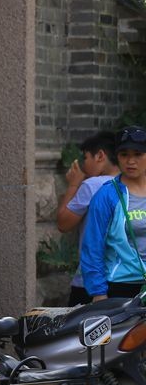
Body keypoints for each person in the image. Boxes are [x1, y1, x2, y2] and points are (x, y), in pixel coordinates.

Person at [81, 126, 146, 301]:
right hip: (120, 287)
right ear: (117, 157)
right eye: (124, 154)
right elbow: (92, 246)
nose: (130, 161)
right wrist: (98, 292)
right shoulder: (106, 195)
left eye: (138, 154)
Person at [56, 131, 118, 306]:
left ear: (100, 156)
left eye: (86, 158)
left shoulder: (93, 185)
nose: (84, 165)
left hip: (89, 283)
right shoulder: (134, 185)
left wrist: (74, 184)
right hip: (126, 280)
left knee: (79, 332)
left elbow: (63, 223)